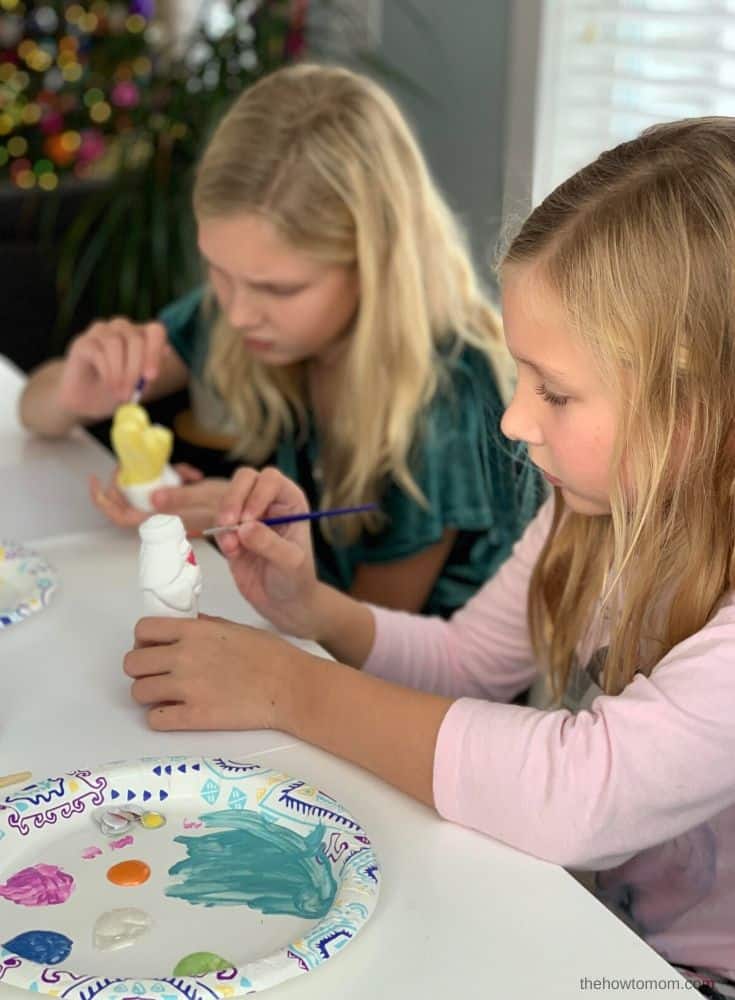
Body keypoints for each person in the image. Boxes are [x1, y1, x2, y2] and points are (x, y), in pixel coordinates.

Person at [124, 117, 735, 995]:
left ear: (695, 402)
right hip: (602, 933)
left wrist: (286, 686)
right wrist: (310, 610)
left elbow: (579, 793)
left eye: (554, 391)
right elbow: (468, 665)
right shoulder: (593, 511)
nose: (514, 421)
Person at [19, 63, 540, 617]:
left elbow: (374, 647)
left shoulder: (448, 399)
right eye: (219, 270)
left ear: (374, 265)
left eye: (279, 288)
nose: (239, 313)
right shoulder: (250, 309)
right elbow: (35, 412)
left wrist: (244, 523)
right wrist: (76, 391)